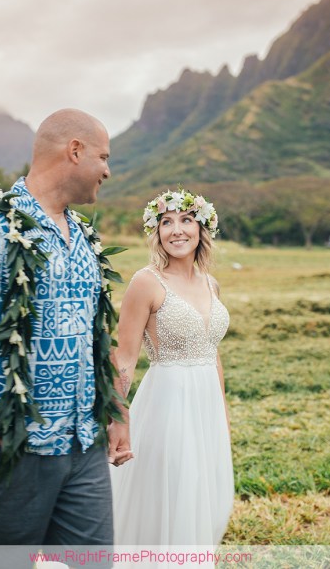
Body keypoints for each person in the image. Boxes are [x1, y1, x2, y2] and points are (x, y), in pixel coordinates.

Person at [0, 108, 126, 568]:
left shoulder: (84, 235)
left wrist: (116, 414)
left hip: (81, 446)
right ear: (74, 151)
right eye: (103, 157)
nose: (107, 170)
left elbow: (98, 334)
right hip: (10, 448)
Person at [109, 189, 233, 549]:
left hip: (206, 405)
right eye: (166, 222)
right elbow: (125, 358)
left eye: (186, 220)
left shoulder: (211, 283)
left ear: (202, 228)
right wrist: (117, 414)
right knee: (174, 493)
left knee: (206, 496)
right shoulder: (146, 282)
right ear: (157, 232)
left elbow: (213, 353)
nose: (176, 230)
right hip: (168, 404)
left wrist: (222, 410)